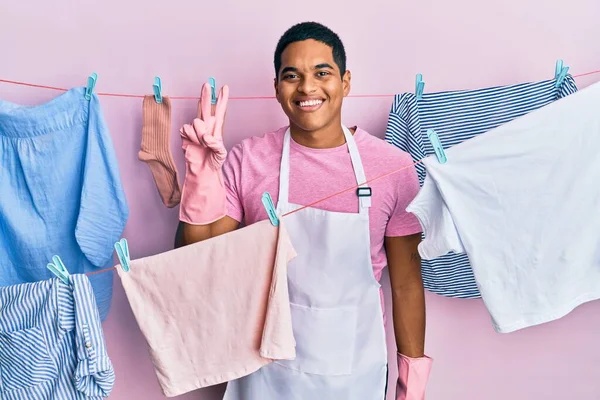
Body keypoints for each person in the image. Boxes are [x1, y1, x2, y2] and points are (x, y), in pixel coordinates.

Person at [175, 21, 433, 400]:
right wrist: (200, 179)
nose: (307, 87)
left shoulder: (392, 167)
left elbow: (408, 284)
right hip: (263, 374)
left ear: (345, 82)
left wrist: (412, 386)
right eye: (292, 75)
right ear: (277, 88)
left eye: (322, 73)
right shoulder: (248, 159)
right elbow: (200, 260)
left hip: (353, 373)